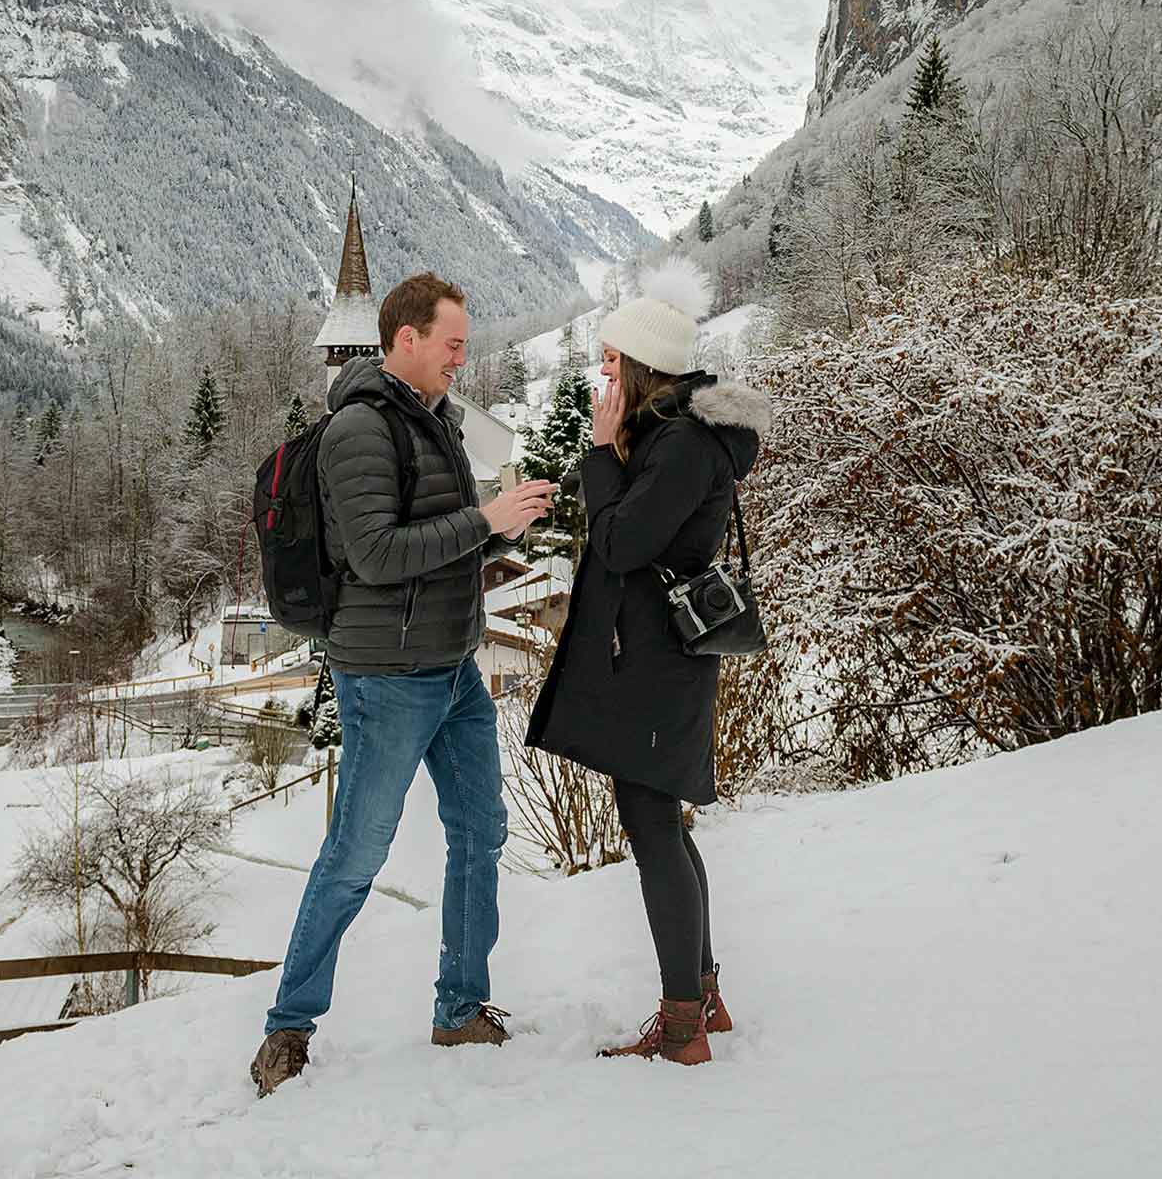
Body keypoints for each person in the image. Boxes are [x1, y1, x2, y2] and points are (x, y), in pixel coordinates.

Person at [250, 272, 557, 1097]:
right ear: (406, 339)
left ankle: (460, 1009)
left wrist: (504, 529)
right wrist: (485, 522)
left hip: (453, 668)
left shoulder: (437, 424)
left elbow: (439, 544)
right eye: (452, 344)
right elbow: (380, 555)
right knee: (356, 853)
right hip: (385, 675)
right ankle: (287, 1029)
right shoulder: (358, 429)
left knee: (480, 830)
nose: (463, 358)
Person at [526, 264, 771, 1065]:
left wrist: (601, 455)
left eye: (608, 361)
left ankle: (680, 1027)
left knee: (654, 830)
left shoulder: (683, 446)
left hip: (660, 669)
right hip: (661, 662)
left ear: (637, 368)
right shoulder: (672, 438)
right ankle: (702, 997)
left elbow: (623, 542)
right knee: (663, 825)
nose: (600, 373)